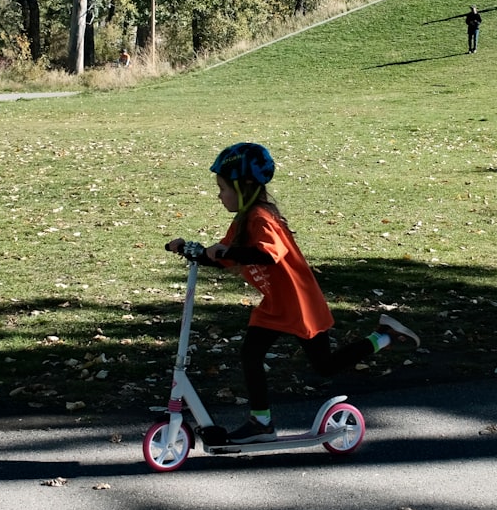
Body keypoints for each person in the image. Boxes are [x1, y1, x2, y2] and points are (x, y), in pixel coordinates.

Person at [165, 142, 420, 444]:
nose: (219, 195)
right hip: (275, 304)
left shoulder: (261, 218)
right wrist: (190, 250)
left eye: (223, 188)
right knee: (250, 353)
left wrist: (229, 251)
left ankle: (384, 336)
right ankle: (261, 422)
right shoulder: (243, 221)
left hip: (299, 304)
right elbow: (224, 258)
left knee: (325, 365)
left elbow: (268, 254)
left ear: (245, 186)